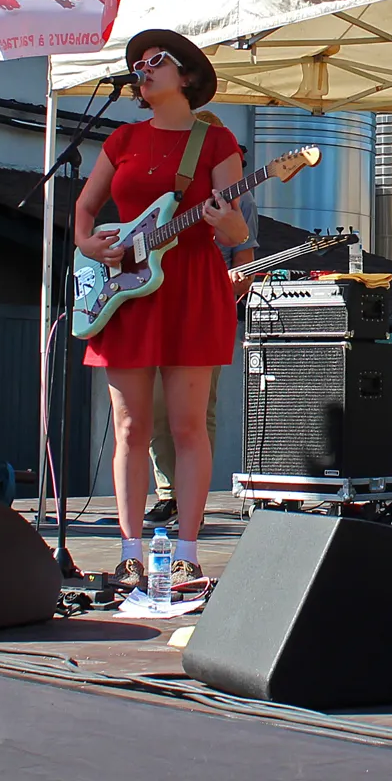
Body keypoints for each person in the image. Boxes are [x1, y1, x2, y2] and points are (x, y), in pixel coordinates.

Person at [74, 29, 247, 590]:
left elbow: (238, 231)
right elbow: (85, 205)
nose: (142, 69)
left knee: (187, 425)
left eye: (156, 61)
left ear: (188, 77)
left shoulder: (215, 141)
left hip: (191, 285)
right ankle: (128, 550)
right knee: (130, 427)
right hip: (125, 288)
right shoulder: (122, 138)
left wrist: (228, 223)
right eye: (137, 64)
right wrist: (87, 243)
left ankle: (189, 554)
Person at [146, 129, 257, 527]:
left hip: (202, 308)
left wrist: (226, 286)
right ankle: (166, 493)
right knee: (154, 407)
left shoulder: (240, 198)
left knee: (196, 412)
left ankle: (190, 497)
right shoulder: (166, 192)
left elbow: (243, 263)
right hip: (156, 302)